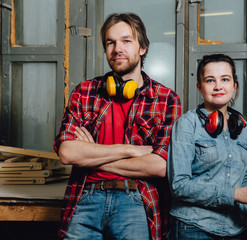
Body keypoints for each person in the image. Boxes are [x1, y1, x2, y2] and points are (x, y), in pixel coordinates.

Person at [54, 12, 181, 240]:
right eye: (110, 42)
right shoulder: (85, 92)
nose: (117, 49)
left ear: (142, 48)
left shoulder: (166, 99)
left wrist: (91, 157)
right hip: (85, 198)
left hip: (135, 200)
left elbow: (159, 166)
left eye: (126, 41)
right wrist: (130, 150)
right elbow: (67, 152)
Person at [167, 54, 247, 239]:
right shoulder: (186, 124)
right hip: (194, 227)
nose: (218, 86)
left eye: (225, 79)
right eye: (210, 80)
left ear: (234, 85)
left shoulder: (244, 128)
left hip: (237, 228)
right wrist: (233, 194)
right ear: (199, 86)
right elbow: (179, 185)